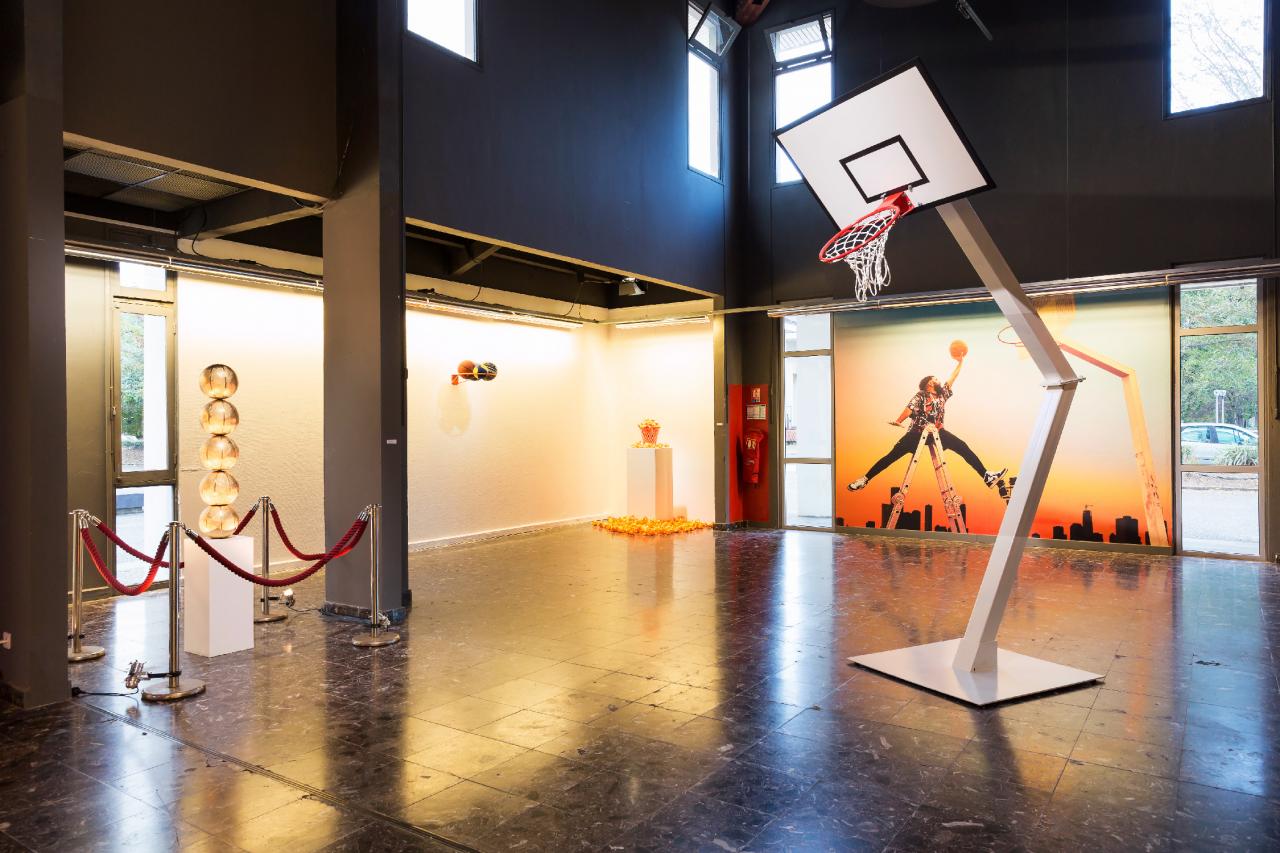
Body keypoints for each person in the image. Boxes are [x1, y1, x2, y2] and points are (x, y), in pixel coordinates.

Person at [848, 354, 1005, 492]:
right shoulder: (921, 395)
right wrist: (899, 420)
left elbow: (952, 378)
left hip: (937, 432)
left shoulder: (942, 395)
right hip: (916, 433)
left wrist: (960, 362)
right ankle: (864, 479)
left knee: (962, 446)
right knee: (891, 457)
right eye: (935, 378)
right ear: (929, 383)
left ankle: (986, 475)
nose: (938, 380)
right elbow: (910, 408)